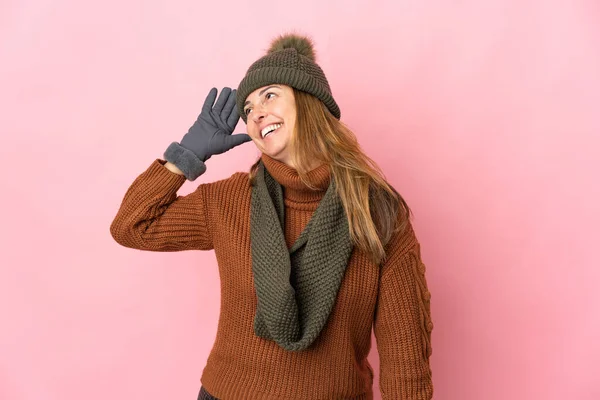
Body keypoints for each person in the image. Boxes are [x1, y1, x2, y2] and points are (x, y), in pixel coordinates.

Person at [110, 33, 433, 400]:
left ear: (309, 101)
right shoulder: (231, 199)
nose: (256, 112)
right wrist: (185, 155)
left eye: (269, 95)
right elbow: (132, 226)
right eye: (247, 109)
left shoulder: (375, 211)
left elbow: (405, 358)